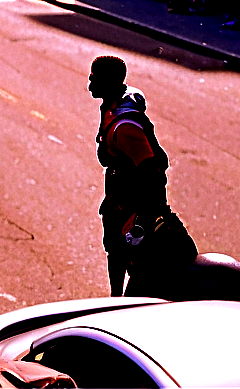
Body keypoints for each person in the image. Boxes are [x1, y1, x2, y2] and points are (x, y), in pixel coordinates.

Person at [88, 55, 196, 298]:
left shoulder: (125, 128)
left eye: (94, 79)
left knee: (140, 264)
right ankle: (114, 297)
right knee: (115, 252)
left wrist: (142, 217)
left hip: (135, 208)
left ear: (108, 83)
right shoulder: (110, 105)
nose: (89, 84)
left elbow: (153, 172)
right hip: (118, 204)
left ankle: (128, 304)